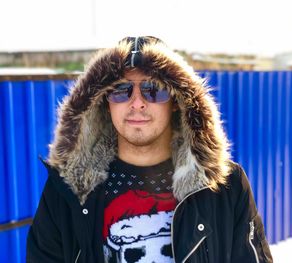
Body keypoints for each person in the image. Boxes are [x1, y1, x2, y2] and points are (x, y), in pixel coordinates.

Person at [26, 36, 273, 263]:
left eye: (153, 89)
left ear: (176, 101)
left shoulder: (225, 187)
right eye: (121, 91)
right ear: (104, 102)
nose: (137, 103)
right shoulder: (67, 192)